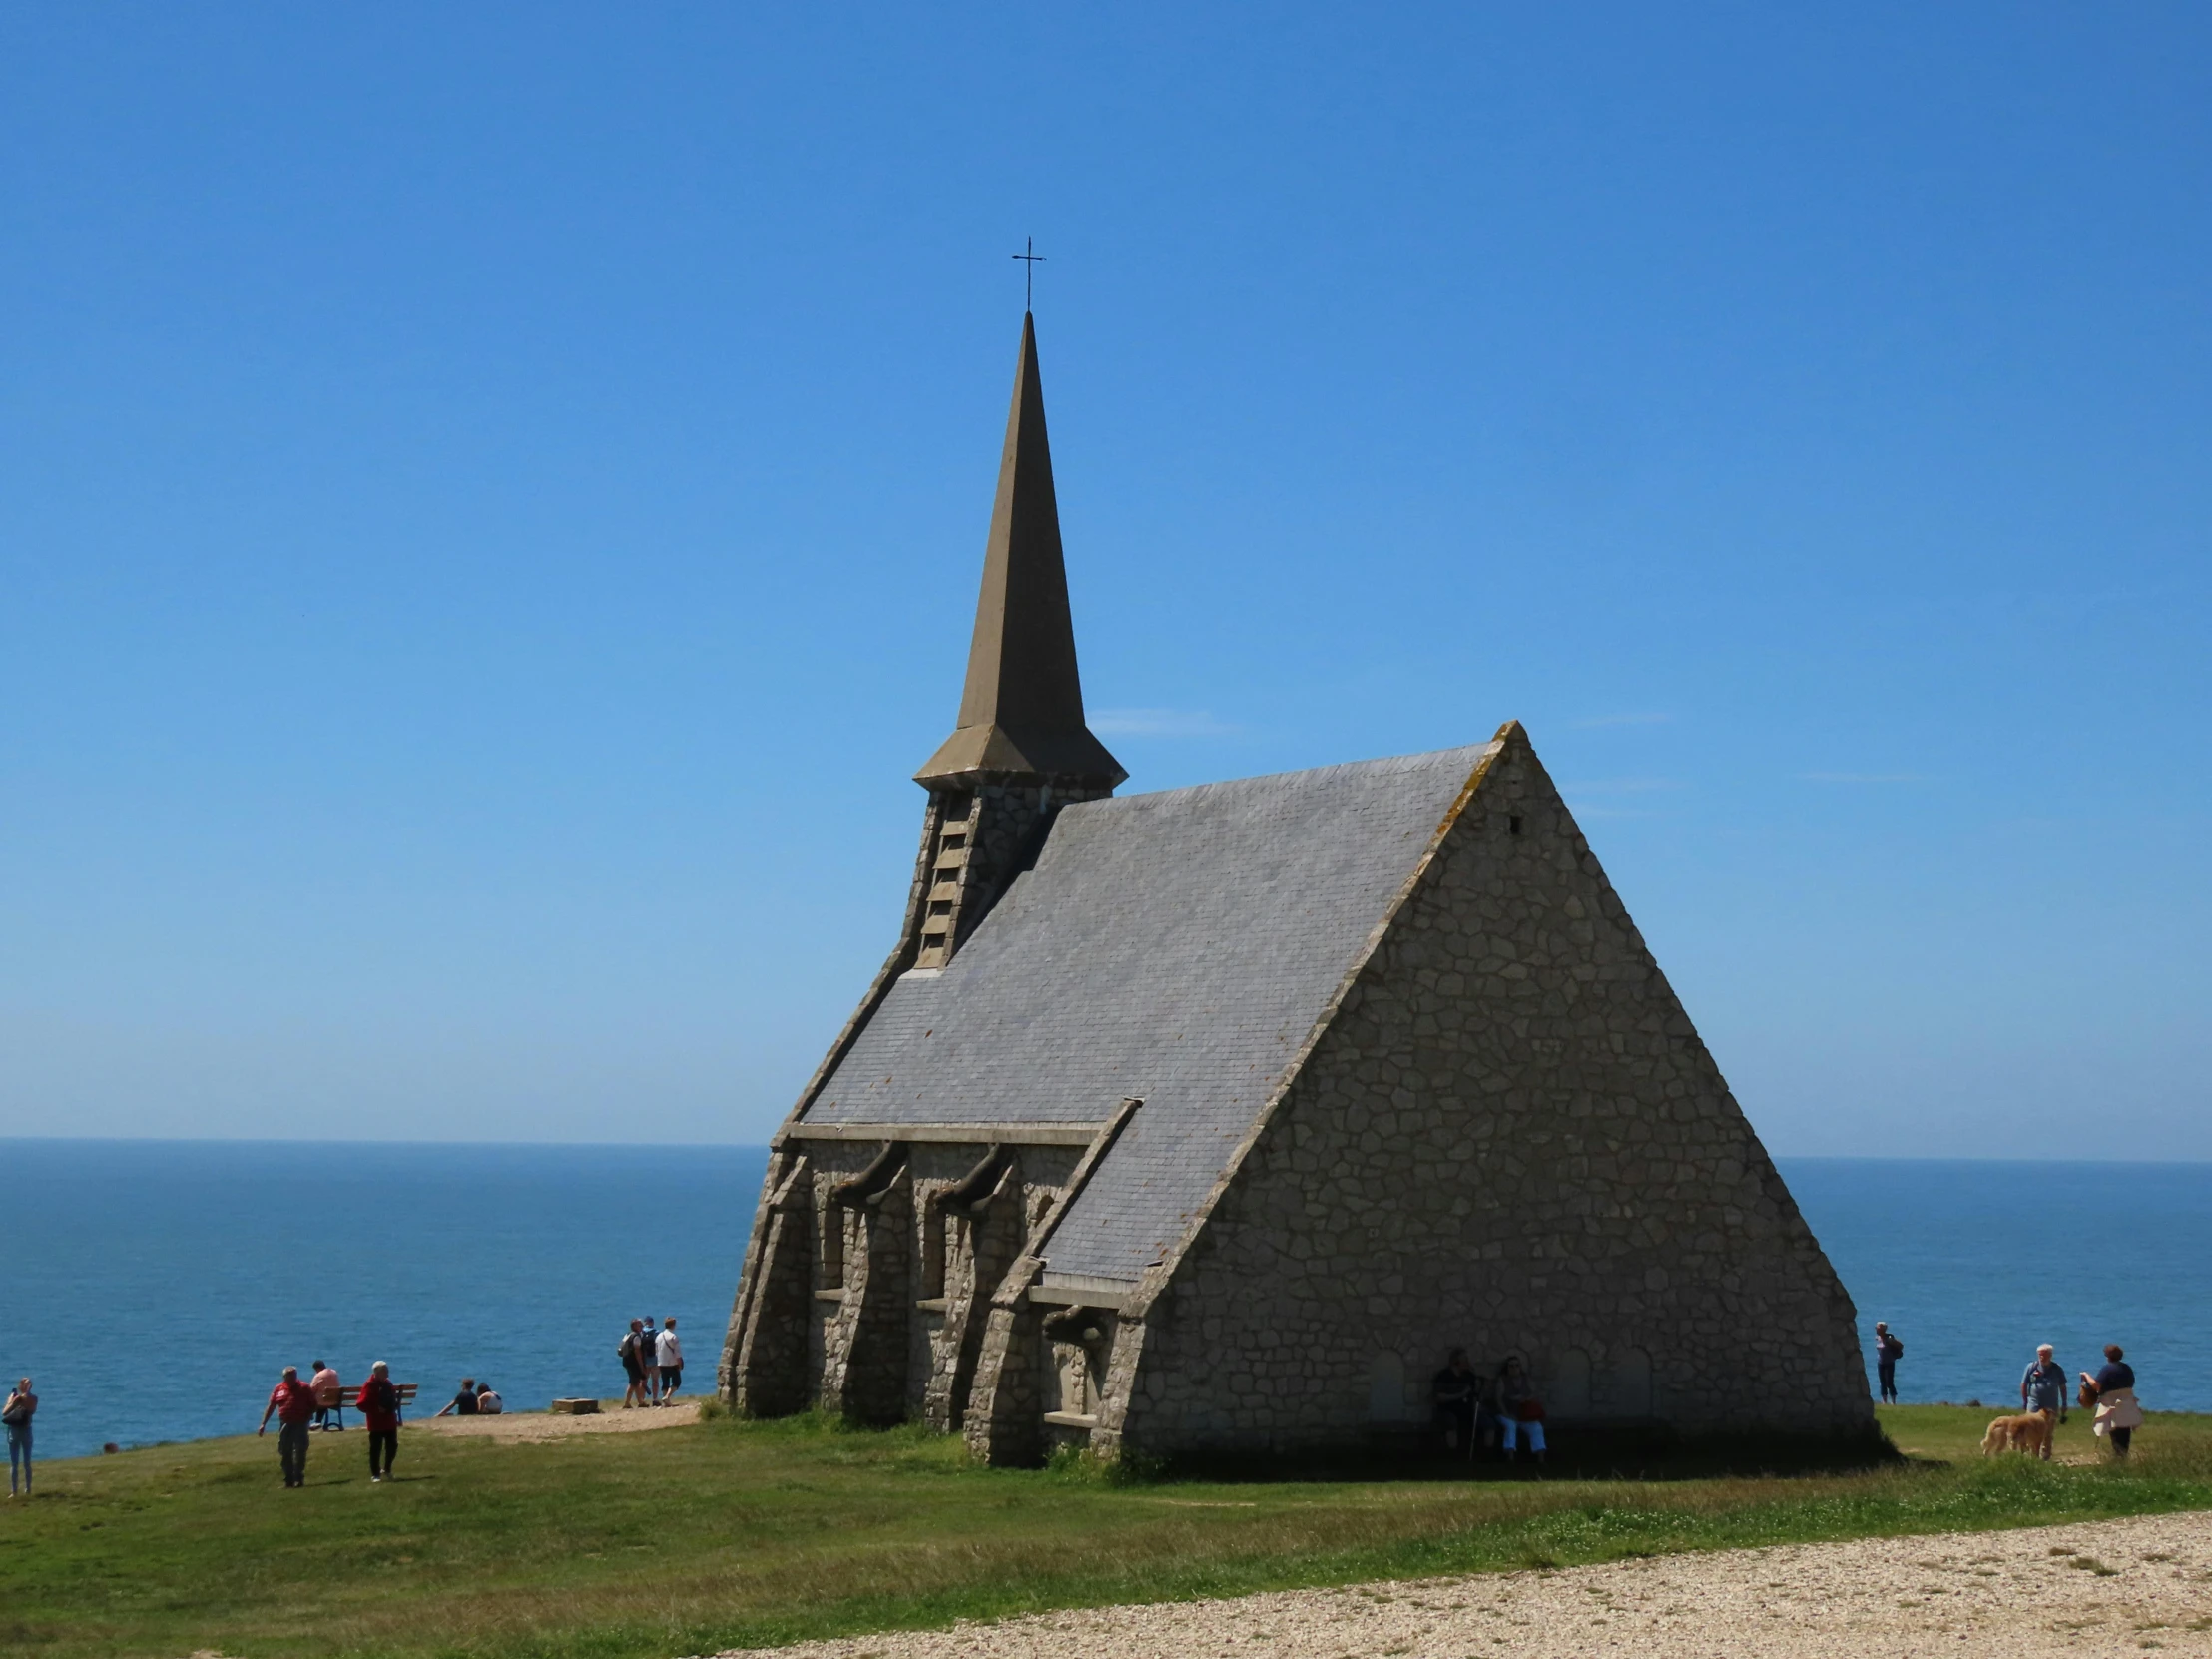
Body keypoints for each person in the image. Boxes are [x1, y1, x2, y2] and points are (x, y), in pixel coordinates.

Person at [257, 1365, 318, 1487]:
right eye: (289, 1375)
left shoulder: (304, 1388)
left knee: (300, 1450)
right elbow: (271, 1406)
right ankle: (288, 1479)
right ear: (284, 1377)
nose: (292, 1377)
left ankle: (299, 1477)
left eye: (293, 1375)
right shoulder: (279, 1389)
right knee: (285, 1451)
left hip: (300, 1423)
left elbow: (314, 1405)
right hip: (285, 1423)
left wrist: (308, 1416)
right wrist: (263, 1424)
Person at [2081, 1344, 2143, 1459]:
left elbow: (2096, 1385)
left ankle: (2118, 1458)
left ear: (2107, 1356)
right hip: (2127, 1403)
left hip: (2113, 1404)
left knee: (2115, 1431)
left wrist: (2086, 1376)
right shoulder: (2127, 1368)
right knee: (2125, 1431)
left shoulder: (2107, 1369)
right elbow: (2131, 1383)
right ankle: (2123, 1456)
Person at [357, 1360, 403, 1482]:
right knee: (376, 1449)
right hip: (376, 1423)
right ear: (377, 1372)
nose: (388, 1374)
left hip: (389, 1421)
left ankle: (387, 1469)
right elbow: (361, 1404)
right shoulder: (370, 1385)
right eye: (385, 1371)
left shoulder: (388, 1384)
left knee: (392, 1446)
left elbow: (392, 1399)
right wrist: (376, 1409)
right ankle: (375, 1474)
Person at [1496, 1355, 1546, 1465]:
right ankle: (1510, 1457)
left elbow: (1534, 1394)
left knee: (1536, 1427)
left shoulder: (1526, 1379)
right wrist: (1506, 1414)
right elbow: (1499, 1399)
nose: (1514, 1368)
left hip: (1525, 1415)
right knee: (1510, 1426)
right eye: (1511, 1366)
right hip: (1508, 1413)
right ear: (1507, 1367)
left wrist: (1525, 1399)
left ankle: (1541, 1458)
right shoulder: (1503, 1380)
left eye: (1517, 1365)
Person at [2020, 1344, 2066, 1461]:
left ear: (2050, 1355)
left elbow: (2062, 1386)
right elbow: (2024, 1384)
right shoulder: (2031, 1367)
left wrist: (2064, 1403)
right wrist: (2025, 1401)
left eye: (2045, 1354)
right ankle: (2031, 1456)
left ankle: (2045, 1457)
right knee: (2030, 1431)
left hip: (2050, 1407)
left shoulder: (2057, 1369)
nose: (2042, 1357)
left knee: (2048, 1433)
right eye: (2040, 1354)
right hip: (2034, 1406)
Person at [1431, 1349, 1479, 1456]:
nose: (1468, 1362)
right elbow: (1439, 1397)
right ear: (1456, 1361)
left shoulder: (1469, 1376)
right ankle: (1452, 1454)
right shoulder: (1444, 1375)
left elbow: (1478, 1391)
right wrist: (1460, 1395)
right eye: (1465, 1359)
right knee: (1451, 1421)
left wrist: (1475, 1374)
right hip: (1448, 1410)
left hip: (1466, 1410)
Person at [3, 1378, 35, 1498]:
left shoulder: (18, 1399)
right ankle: (28, 1489)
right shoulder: (34, 1399)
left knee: (14, 1463)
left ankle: (14, 1491)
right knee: (27, 1462)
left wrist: (10, 1401)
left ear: (21, 1387)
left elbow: (5, 1413)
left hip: (15, 1431)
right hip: (27, 1430)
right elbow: (31, 1411)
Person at [619, 1319, 649, 1408]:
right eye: (639, 1325)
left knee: (635, 1382)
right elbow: (638, 1353)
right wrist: (641, 1366)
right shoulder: (636, 1337)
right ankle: (627, 1403)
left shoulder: (628, 1334)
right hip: (633, 1362)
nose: (642, 1326)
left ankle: (640, 1402)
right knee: (633, 1382)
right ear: (634, 1326)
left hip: (627, 1360)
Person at [1873, 1322, 1904, 1404]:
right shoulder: (1878, 1337)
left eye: (1878, 1328)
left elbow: (1900, 1345)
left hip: (1889, 1362)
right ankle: (1884, 1401)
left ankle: (1893, 1401)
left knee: (1889, 1382)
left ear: (1883, 1329)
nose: (1876, 1329)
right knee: (1882, 1382)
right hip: (1880, 1362)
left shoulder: (1889, 1337)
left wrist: (1892, 1341)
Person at [308, 1359, 343, 1430]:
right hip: (336, 1401)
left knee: (313, 1401)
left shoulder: (318, 1376)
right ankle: (317, 1422)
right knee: (322, 1400)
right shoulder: (334, 1372)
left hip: (323, 1402)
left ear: (317, 1368)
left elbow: (311, 1390)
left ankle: (315, 1422)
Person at [657, 1318, 684, 1402]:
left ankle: (666, 1401)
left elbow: (656, 1350)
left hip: (661, 1362)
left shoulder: (658, 1336)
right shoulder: (673, 1336)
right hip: (672, 1363)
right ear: (673, 1325)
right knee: (677, 1382)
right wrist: (679, 1364)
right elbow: (677, 1353)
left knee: (665, 1382)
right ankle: (667, 1397)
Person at [641, 1316, 661, 1403]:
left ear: (645, 1322)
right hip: (655, 1360)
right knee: (655, 1380)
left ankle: (642, 1399)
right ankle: (655, 1399)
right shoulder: (656, 1332)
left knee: (644, 1380)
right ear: (652, 1322)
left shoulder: (641, 1333)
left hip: (644, 1361)